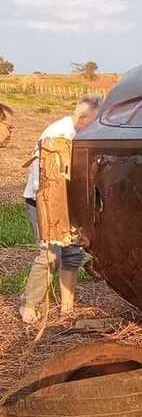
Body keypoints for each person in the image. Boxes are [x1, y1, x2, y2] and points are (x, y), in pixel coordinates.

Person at [18, 96, 100, 324]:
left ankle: (67, 308)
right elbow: (42, 184)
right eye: (93, 122)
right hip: (43, 203)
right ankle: (28, 304)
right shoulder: (56, 136)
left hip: (68, 204)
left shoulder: (80, 136)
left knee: (72, 254)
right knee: (49, 256)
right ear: (83, 118)